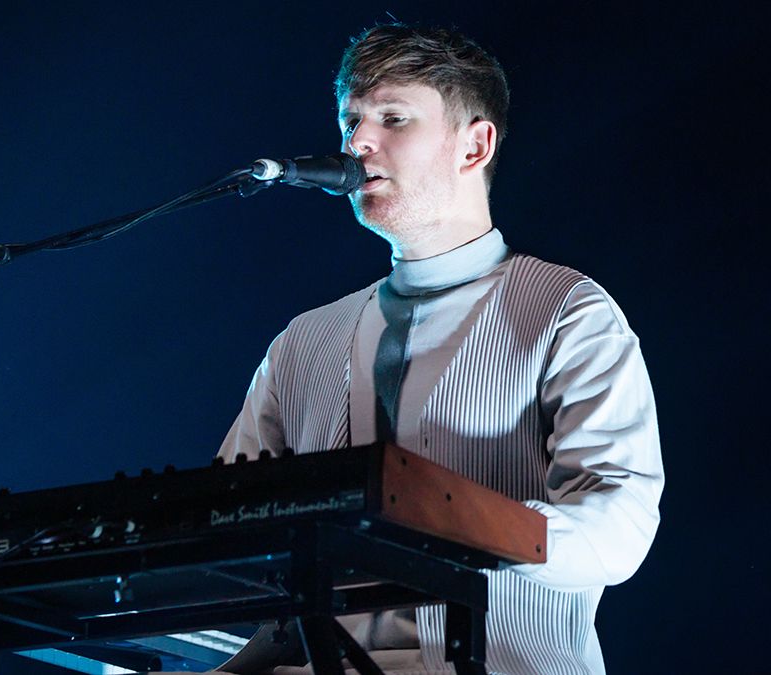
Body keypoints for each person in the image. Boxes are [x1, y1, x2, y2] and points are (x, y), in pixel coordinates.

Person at [209, 24, 664, 675]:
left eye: (393, 118)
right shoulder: (301, 342)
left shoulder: (569, 311)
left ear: (474, 146)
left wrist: (455, 518)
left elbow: (618, 528)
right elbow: (224, 535)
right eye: (351, 121)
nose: (357, 143)